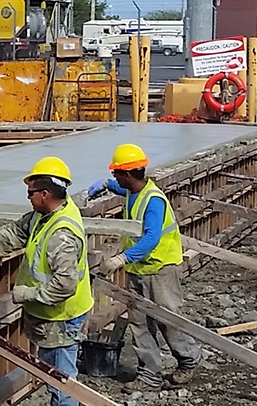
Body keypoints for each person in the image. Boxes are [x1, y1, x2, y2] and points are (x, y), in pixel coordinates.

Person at [0, 157, 93, 406]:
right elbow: (16, 232)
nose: (28, 197)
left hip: (61, 318)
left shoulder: (61, 235)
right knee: (54, 377)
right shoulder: (45, 214)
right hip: (51, 317)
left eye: (30, 192)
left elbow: (65, 285)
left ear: (45, 194)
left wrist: (27, 294)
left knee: (62, 383)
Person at [82, 144, 203, 390]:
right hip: (140, 269)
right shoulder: (133, 190)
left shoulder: (153, 200)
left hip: (161, 269)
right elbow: (119, 187)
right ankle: (149, 376)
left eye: (117, 173)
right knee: (140, 323)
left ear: (128, 174)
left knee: (168, 319)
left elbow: (151, 239)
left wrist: (120, 259)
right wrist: (106, 185)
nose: (115, 177)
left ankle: (188, 359)